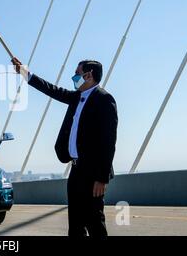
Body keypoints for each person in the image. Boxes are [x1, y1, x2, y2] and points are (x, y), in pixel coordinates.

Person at [11, 57, 118, 237]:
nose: (74, 77)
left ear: (88, 75)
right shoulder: (76, 97)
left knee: (94, 222)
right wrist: (25, 73)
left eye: (77, 73)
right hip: (76, 170)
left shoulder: (104, 99)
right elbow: (52, 90)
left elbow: (109, 141)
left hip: (93, 174)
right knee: (75, 224)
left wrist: (102, 178)